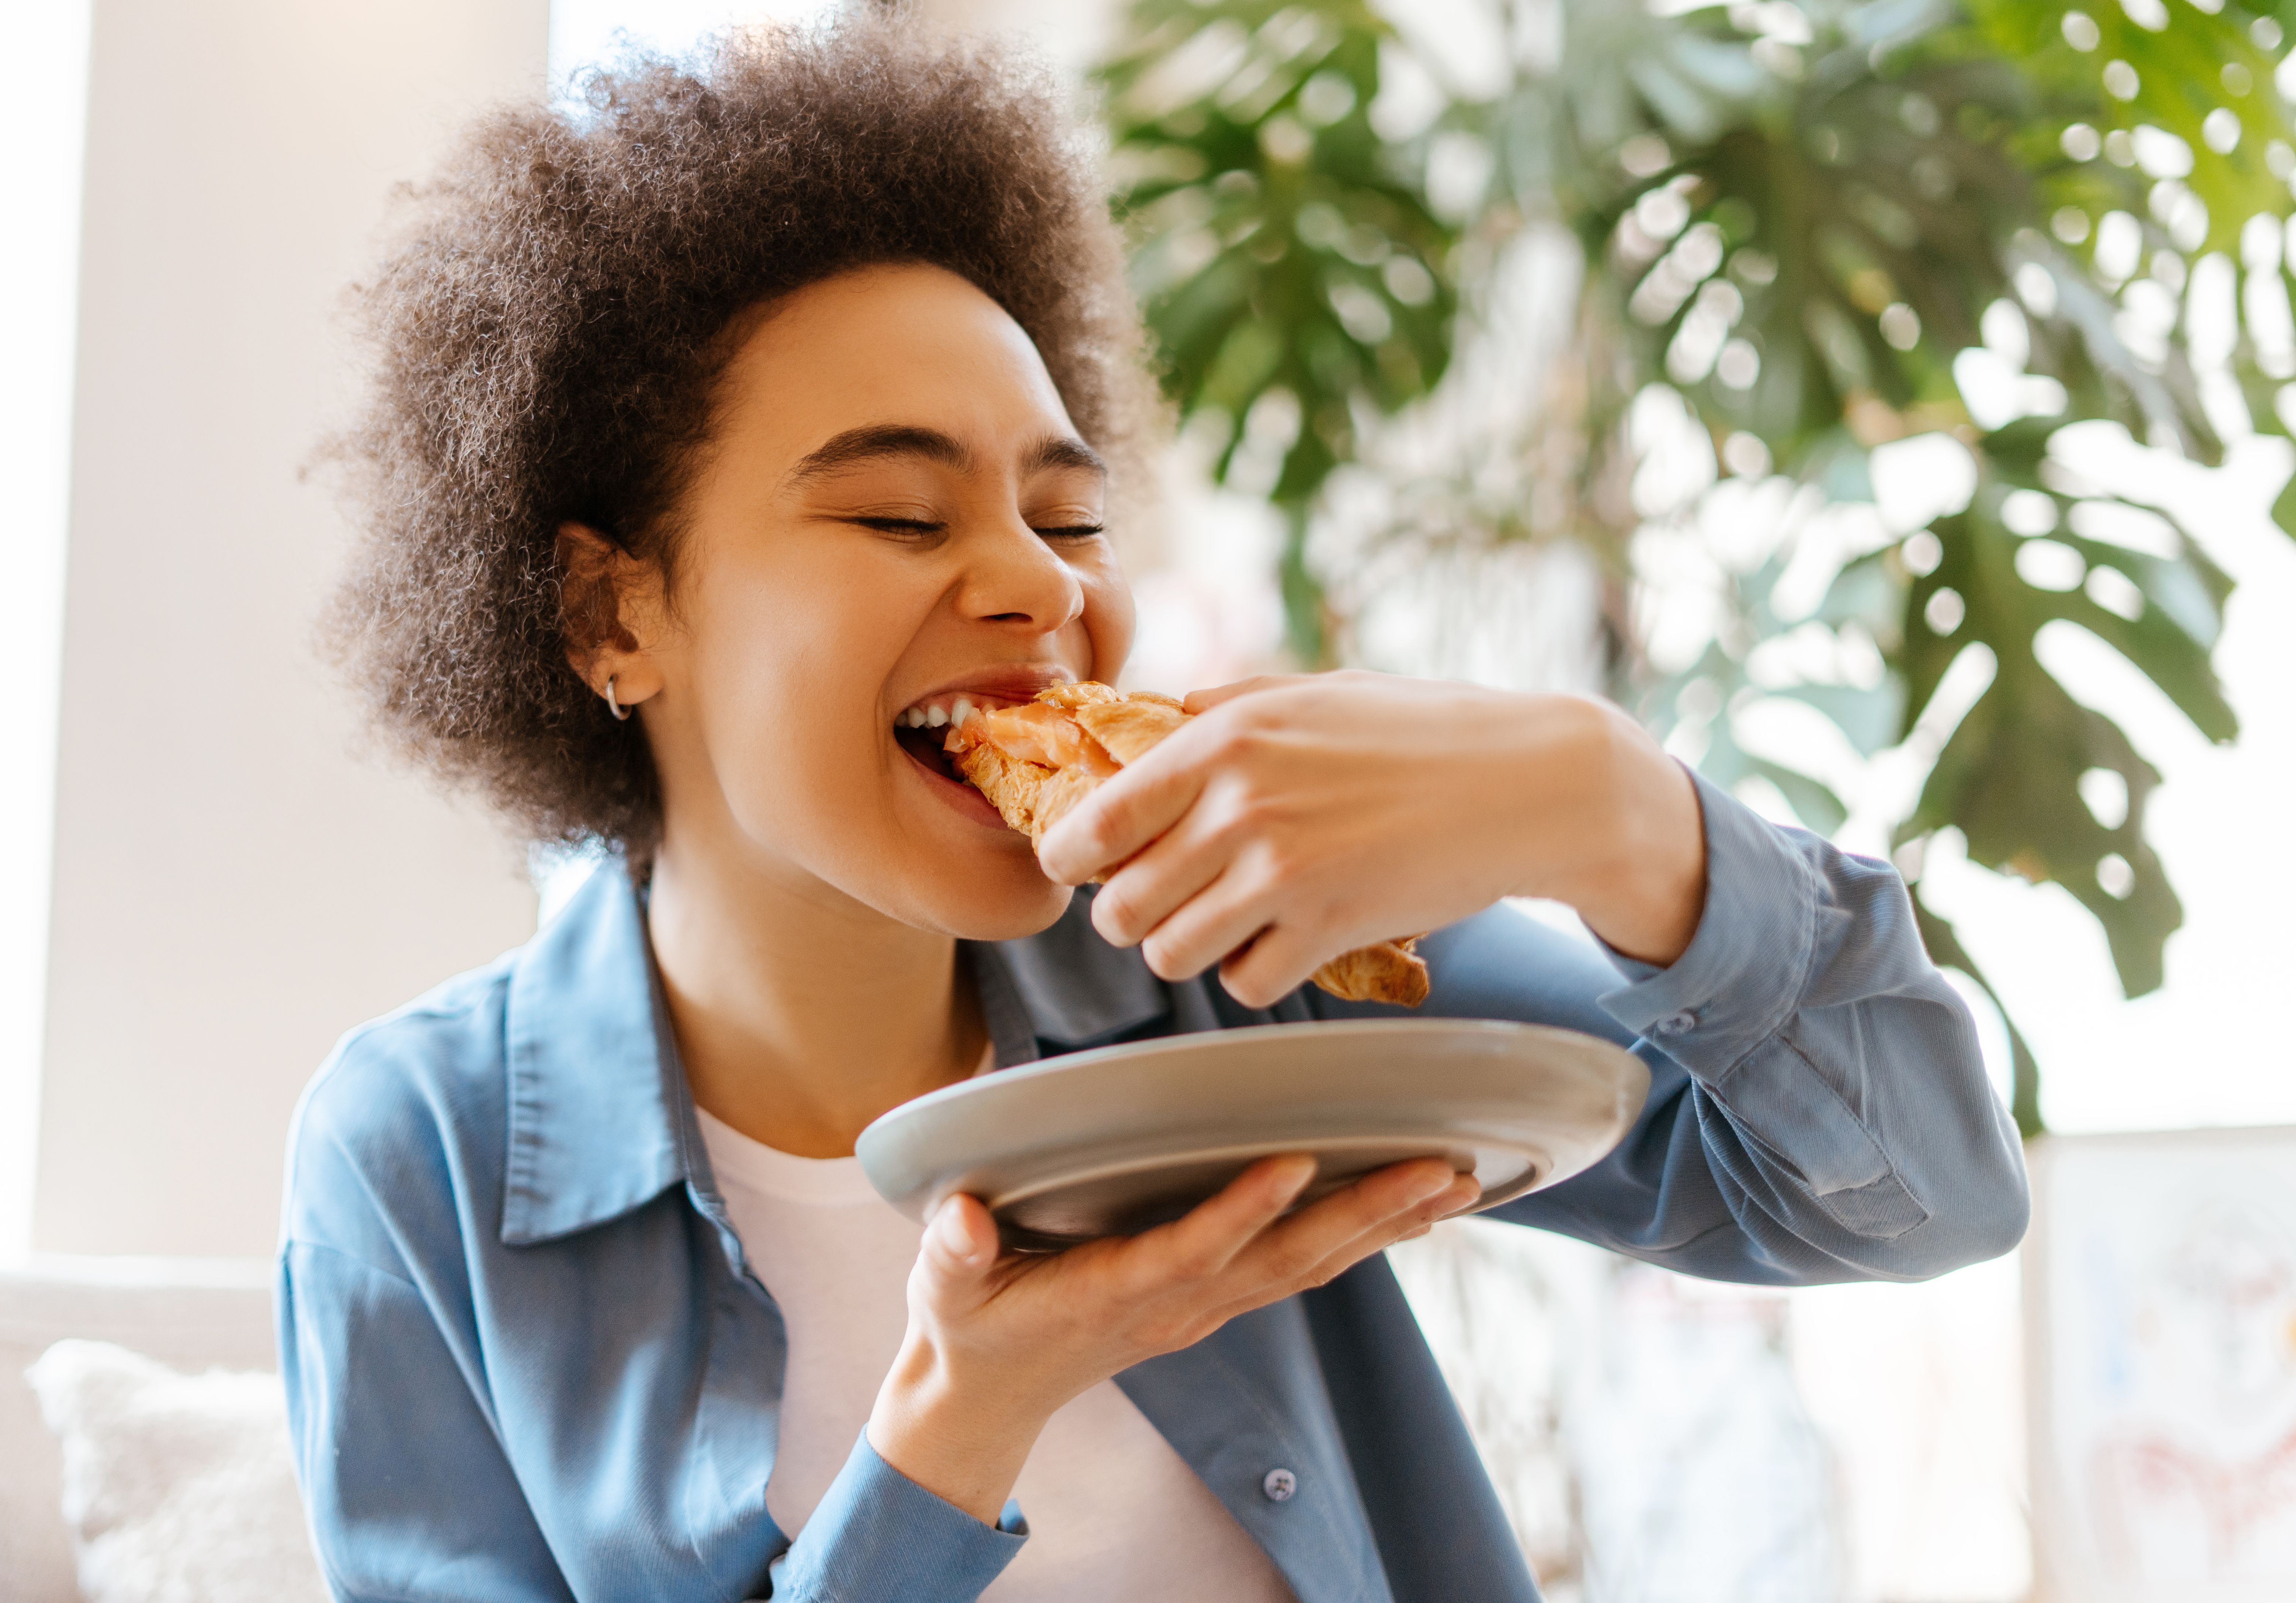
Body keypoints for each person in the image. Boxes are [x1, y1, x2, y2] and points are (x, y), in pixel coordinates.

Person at [279, 20, 2030, 1603]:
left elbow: (1922, 1197)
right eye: (900, 517)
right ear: (613, 615)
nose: (1038, 591)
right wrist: (958, 1433)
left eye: (1071, 516)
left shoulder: (1243, 953)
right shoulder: (416, 1166)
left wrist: (1610, 807)